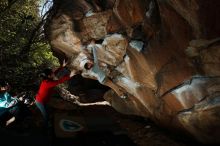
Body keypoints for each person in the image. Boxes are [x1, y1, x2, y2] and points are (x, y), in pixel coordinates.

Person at [35, 60, 77, 127]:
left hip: (44, 100)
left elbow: (55, 72)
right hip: (40, 101)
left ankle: (49, 124)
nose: (53, 74)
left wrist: (62, 66)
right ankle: (46, 128)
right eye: (51, 73)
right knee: (46, 115)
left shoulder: (48, 79)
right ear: (49, 76)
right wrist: (70, 76)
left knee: (48, 112)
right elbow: (59, 81)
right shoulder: (47, 83)